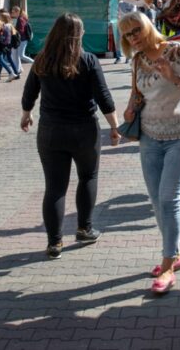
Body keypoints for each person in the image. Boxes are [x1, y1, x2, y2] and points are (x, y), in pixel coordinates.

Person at [119, 11, 180, 295]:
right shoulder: (137, 60)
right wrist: (130, 107)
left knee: (169, 198)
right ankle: (176, 253)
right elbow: (137, 93)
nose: (133, 38)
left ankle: (168, 264)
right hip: (149, 135)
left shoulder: (176, 51)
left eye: (136, 31)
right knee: (157, 200)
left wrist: (174, 77)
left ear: (147, 27)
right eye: (128, 35)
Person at [20, 13, 120, 259]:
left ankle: (54, 243)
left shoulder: (41, 60)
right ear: (79, 35)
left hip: (51, 131)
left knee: (54, 188)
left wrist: (26, 114)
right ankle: (84, 228)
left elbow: (29, 91)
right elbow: (103, 97)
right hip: (84, 129)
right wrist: (115, 127)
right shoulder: (87, 60)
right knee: (88, 177)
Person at [10, 6, 34, 73]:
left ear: (17, 12)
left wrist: (13, 31)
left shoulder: (20, 19)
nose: (12, 13)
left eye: (13, 12)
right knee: (18, 55)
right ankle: (19, 69)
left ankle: (35, 63)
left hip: (22, 40)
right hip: (22, 39)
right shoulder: (21, 18)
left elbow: (21, 31)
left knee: (21, 55)